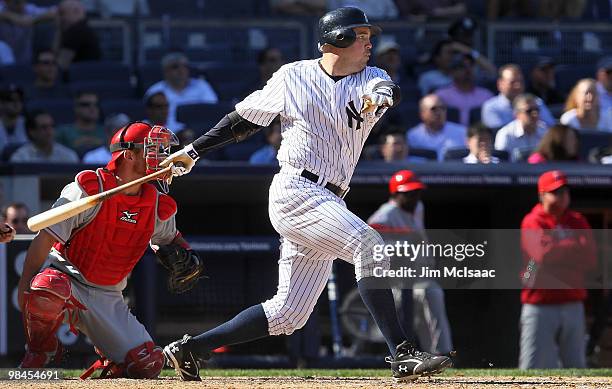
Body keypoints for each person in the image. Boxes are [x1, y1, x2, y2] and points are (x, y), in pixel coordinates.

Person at [160, 7, 451, 382]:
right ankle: (404, 354)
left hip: (329, 197)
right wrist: (193, 151)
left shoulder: (371, 76)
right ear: (338, 40)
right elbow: (244, 120)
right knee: (368, 245)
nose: (369, 43)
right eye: (361, 35)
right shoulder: (293, 75)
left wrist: (381, 98)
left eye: (369, 36)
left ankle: (191, 349)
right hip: (296, 189)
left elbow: (386, 90)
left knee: (288, 315)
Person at [16, 122, 204, 378]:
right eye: (154, 150)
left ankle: (112, 363)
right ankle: (39, 350)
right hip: (67, 277)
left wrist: (185, 256)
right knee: (48, 286)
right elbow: (43, 241)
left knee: (147, 365)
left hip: (108, 293)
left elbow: (170, 240)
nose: (163, 158)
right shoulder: (88, 188)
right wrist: (25, 289)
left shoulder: (158, 203)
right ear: (128, 154)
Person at [368, 170, 453, 355]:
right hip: (394, 281)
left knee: (429, 296)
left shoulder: (418, 208)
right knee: (430, 293)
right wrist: (403, 244)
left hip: (417, 276)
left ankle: (437, 356)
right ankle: (440, 353)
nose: (414, 197)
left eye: (416, 192)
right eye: (408, 193)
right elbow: (370, 247)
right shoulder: (385, 215)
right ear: (396, 194)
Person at [519, 170, 597, 369]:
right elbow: (542, 256)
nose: (562, 196)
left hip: (573, 302)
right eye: (556, 192)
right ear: (542, 195)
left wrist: (555, 246)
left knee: (576, 369)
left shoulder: (577, 220)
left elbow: (590, 258)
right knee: (531, 369)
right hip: (540, 304)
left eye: (565, 191)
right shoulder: (532, 221)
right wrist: (573, 245)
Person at [144, 52, 218, 131]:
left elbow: (212, 113)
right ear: (165, 71)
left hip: (199, 133)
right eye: (175, 67)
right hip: (167, 134)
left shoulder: (202, 86)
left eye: (185, 66)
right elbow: (151, 118)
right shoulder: (155, 90)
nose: (181, 70)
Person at [482, 64, 555, 129]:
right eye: (512, 82)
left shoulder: (536, 102)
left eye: (520, 81)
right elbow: (497, 134)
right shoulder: (491, 107)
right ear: (500, 84)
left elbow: (550, 126)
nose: (518, 86)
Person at [434, 53, 493, 126]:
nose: (468, 70)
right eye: (462, 67)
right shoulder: (441, 95)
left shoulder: (486, 95)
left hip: (479, 135)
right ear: (452, 71)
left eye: (471, 66)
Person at [407, 94, 466, 160]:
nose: (439, 112)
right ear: (422, 113)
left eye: (442, 108)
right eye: (434, 109)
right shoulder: (412, 136)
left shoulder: (462, 132)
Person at [10, 109, 79, 163]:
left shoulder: (68, 156)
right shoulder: (21, 157)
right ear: (32, 132)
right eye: (44, 127)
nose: (49, 131)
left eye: (52, 126)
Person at [494, 93, 548, 161]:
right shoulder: (505, 134)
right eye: (529, 111)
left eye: (537, 110)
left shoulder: (545, 131)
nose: (535, 114)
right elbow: (501, 164)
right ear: (517, 114)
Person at [0, 0, 56, 64]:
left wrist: (33, 20)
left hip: (25, 59)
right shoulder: (1, 8)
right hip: (2, 59)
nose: (20, 5)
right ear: (6, 2)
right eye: (16, 2)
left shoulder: (29, 9)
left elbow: (55, 11)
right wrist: (11, 17)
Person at [55, 91, 105, 157]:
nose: (92, 108)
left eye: (96, 104)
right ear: (76, 108)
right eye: (86, 104)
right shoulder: (63, 132)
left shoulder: (106, 131)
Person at [55, 0, 101, 72]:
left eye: (62, 13)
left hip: (80, 77)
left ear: (76, 12)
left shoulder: (76, 31)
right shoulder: (84, 29)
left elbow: (61, 64)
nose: (61, 18)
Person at [0, 84, 27, 154]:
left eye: (19, 99)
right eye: (10, 100)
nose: (16, 103)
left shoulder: (30, 124)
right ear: (1, 104)